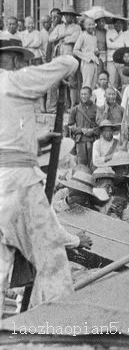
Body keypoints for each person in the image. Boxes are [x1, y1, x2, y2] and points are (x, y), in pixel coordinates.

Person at [0, 47, 84, 310]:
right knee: (53, 262)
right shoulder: (14, 79)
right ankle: (51, 330)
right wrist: (72, 69)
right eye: (25, 61)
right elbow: (67, 63)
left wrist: (35, 141)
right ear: (14, 60)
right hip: (19, 183)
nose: (27, 65)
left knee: (1, 266)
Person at [67, 86, 98, 169]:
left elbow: (100, 126)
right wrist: (80, 130)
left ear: (90, 95)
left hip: (93, 140)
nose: (83, 96)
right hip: (80, 141)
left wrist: (92, 130)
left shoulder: (97, 109)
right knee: (81, 166)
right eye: (82, 94)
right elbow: (70, 126)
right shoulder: (75, 109)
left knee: (93, 164)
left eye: (85, 94)